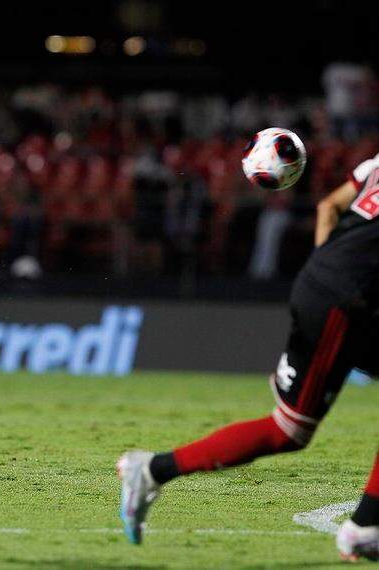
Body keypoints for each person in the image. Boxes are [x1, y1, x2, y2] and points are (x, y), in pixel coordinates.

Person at [117, 152, 379, 561]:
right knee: (287, 433)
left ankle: (366, 526)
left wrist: (329, 268)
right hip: (346, 301)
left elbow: (329, 204)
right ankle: (151, 470)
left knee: (290, 431)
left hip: (330, 285)